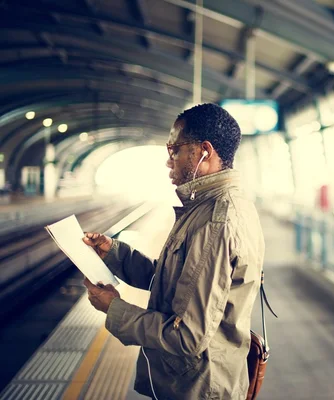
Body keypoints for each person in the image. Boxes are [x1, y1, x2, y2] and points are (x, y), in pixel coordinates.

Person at [82, 103, 265, 400]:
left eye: (175, 149)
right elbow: (175, 279)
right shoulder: (207, 208)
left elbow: (188, 336)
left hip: (199, 389)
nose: (170, 161)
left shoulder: (216, 222)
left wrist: (114, 308)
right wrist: (114, 253)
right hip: (191, 382)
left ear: (203, 152)